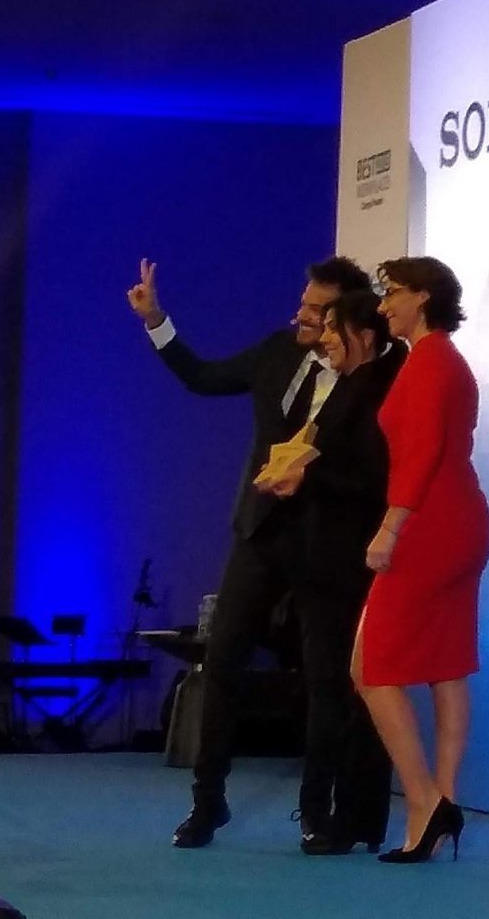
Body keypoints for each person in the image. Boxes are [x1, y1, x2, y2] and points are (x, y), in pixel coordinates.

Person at [128, 254, 387, 853]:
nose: (301, 316)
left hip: (330, 544)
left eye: (316, 310)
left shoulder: (372, 379)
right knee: (221, 664)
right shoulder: (276, 351)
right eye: (303, 304)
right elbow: (203, 377)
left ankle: (315, 811)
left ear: (346, 318)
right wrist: (156, 321)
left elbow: (373, 472)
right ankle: (207, 802)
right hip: (260, 533)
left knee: (326, 682)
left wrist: (313, 479)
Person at [253, 288, 408, 854]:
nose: (322, 339)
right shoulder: (351, 387)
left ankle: (340, 814)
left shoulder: (376, 393)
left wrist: (305, 477)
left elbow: (372, 478)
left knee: (343, 689)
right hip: (328, 558)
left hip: (348, 562)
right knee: (340, 689)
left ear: (362, 335)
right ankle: (343, 814)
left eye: (332, 327)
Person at [356, 255, 489, 865]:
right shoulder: (436, 359)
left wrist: (391, 526)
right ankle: (442, 803)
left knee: (369, 667)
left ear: (424, 297)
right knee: (445, 665)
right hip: (452, 520)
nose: (383, 304)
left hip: (430, 525)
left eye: (393, 293)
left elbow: (424, 451)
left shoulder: (432, 360)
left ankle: (424, 800)